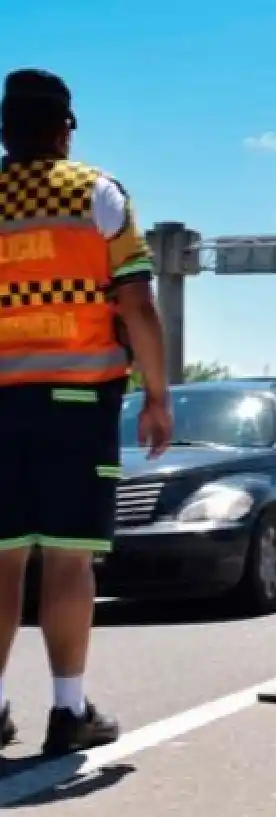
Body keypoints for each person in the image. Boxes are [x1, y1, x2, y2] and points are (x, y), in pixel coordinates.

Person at [0, 69, 173, 755]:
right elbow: (136, 303)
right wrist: (158, 397)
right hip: (77, 401)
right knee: (69, 560)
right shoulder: (98, 195)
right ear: (66, 127)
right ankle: (68, 711)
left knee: (2, 559)